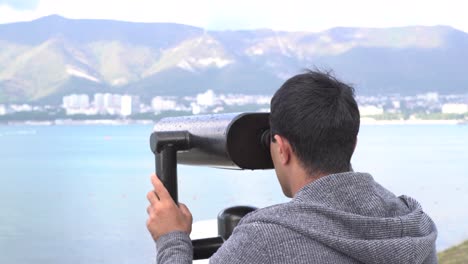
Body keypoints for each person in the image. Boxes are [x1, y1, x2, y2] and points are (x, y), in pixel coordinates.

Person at [146, 70, 438, 263]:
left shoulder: (264, 241)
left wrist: (172, 239)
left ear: (282, 149)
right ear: (353, 142)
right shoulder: (411, 223)